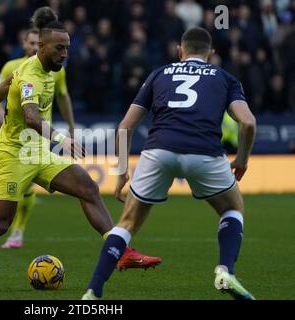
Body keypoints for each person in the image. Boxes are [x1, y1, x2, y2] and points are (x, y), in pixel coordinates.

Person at [0, 7, 160, 294]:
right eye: (59, 48)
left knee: (88, 188)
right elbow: (31, 118)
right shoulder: (31, 76)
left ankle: (120, 251)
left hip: (38, 152)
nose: (65, 54)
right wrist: (63, 139)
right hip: (13, 155)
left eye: (68, 48)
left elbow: (0, 90)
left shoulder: (50, 70)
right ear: (42, 46)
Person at [82, 27, 257, 300]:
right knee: (232, 208)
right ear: (210, 54)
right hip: (205, 152)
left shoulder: (160, 73)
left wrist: (121, 170)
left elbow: (125, 126)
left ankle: (93, 291)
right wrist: (242, 160)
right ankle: (225, 271)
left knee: (126, 223)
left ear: (179, 51)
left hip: (159, 151)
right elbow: (248, 123)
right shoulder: (225, 78)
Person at [0, 27, 75, 249]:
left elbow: (62, 97)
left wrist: (70, 126)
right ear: (26, 44)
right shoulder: (13, 67)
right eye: (29, 43)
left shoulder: (56, 70)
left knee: (87, 189)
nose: (32, 46)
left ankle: (18, 231)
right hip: (13, 142)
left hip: (38, 142)